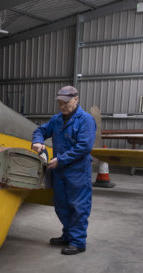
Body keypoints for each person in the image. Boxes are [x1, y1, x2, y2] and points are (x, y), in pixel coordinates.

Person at [31, 86, 96, 255]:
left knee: (78, 206)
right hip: (59, 171)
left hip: (77, 172)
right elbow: (40, 130)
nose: (62, 106)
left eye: (65, 103)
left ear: (76, 99)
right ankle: (68, 235)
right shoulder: (57, 119)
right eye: (60, 103)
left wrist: (61, 159)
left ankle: (78, 241)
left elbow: (84, 146)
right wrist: (37, 141)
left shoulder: (86, 120)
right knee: (61, 206)